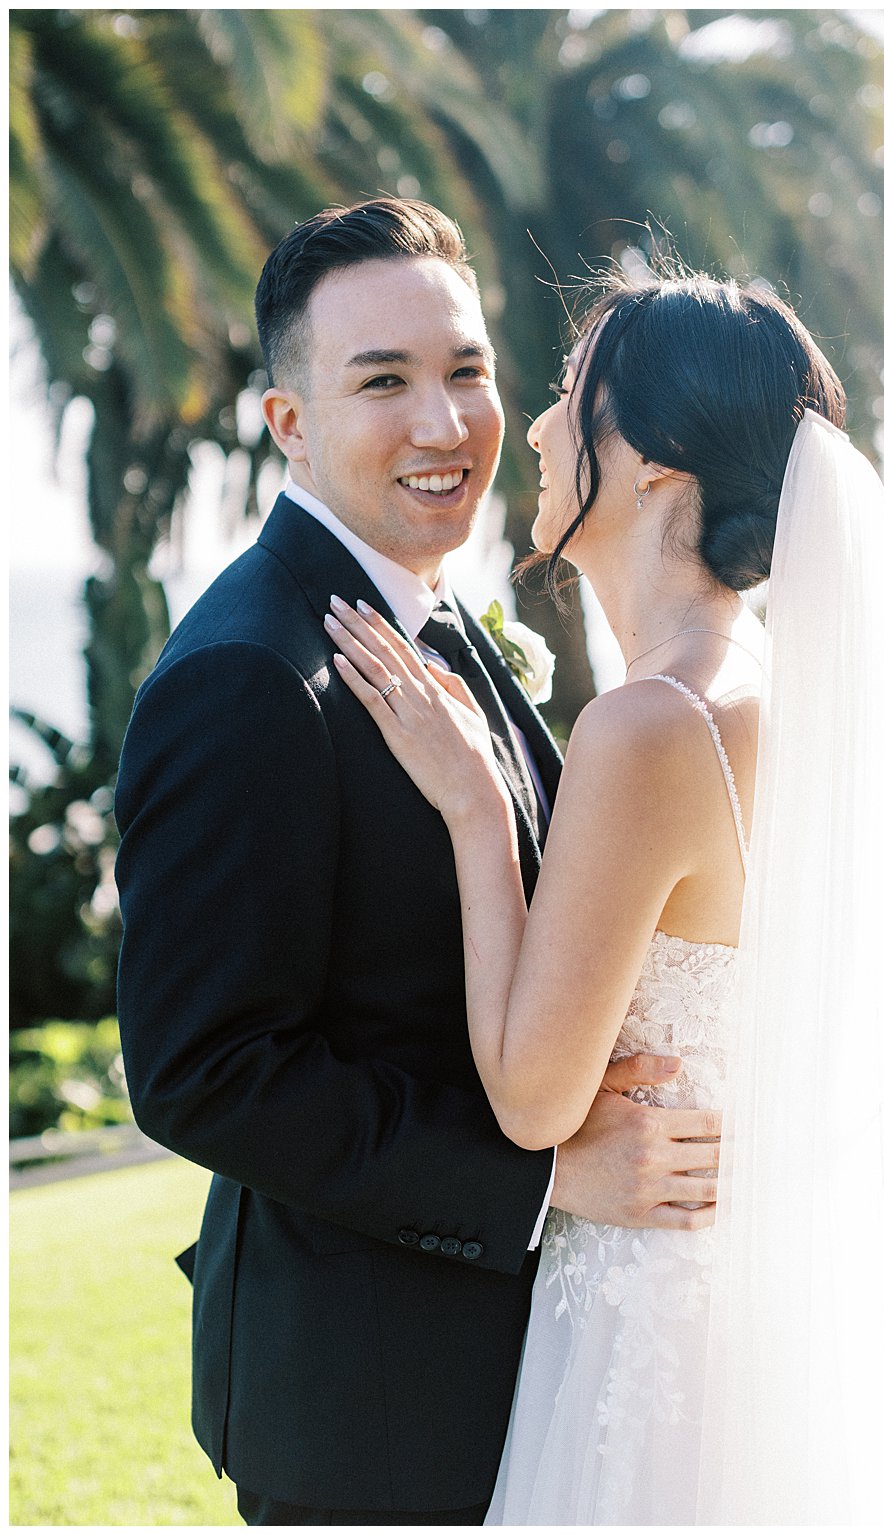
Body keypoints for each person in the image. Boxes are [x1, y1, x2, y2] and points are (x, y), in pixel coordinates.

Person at [324, 260, 884, 1522]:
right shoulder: (766, 689)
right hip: (755, 1312)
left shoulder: (652, 723)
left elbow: (534, 1097)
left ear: (653, 464)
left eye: (571, 393)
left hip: (650, 1325)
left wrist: (476, 807)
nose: (528, 423)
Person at [114, 199, 724, 1525]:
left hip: (523, 1377)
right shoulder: (247, 675)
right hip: (372, 1401)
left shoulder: (439, 614)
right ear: (290, 423)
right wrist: (547, 1174)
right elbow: (201, 1071)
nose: (446, 425)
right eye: (382, 381)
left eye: (467, 371)